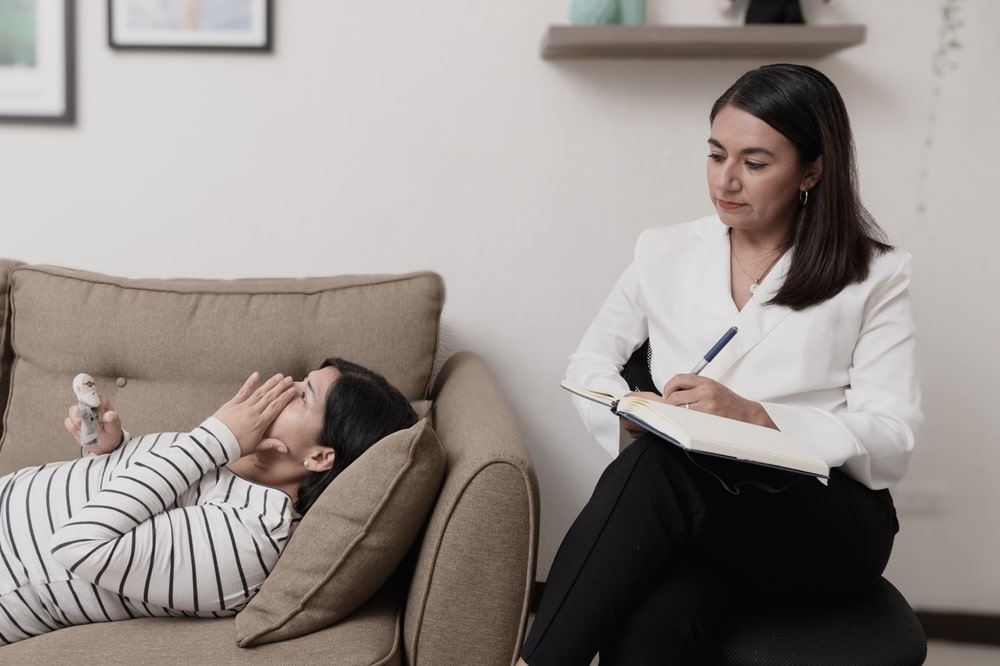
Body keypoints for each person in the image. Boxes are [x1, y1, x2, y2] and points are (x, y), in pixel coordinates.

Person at [518, 64, 922, 664]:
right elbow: (590, 363)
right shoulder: (665, 251)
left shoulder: (874, 274)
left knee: (660, 472)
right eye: (715, 155)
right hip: (705, 519)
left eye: (755, 163)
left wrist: (757, 418)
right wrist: (632, 413)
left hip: (822, 518)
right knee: (652, 626)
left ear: (812, 170)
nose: (726, 180)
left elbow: (893, 439)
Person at [0, 358, 417, 645]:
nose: (283, 387)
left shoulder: (250, 538)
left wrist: (213, 438)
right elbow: (111, 501)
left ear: (320, 457)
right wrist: (107, 449)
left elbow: (77, 545)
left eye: (304, 395)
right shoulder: (228, 458)